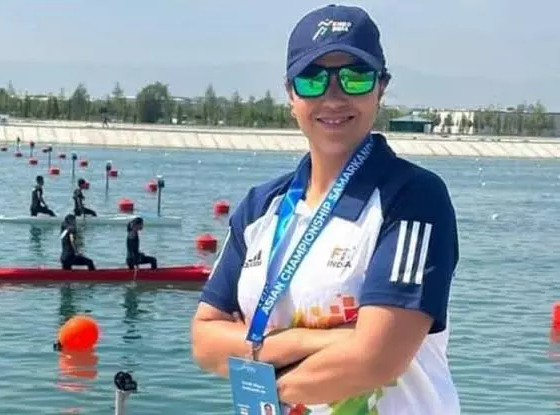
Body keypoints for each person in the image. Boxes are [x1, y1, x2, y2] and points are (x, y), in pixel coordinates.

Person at [190, 5, 460, 415]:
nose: (333, 97)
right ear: (291, 94)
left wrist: (260, 381)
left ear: (380, 88)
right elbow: (204, 341)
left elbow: (376, 360)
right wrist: (306, 341)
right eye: (312, 79)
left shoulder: (413, 198)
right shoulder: (260, 207)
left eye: (355, 77)